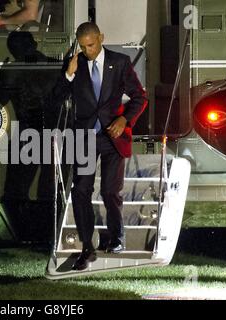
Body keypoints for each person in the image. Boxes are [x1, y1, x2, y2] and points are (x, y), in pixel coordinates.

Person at [54, 22, 147, 271]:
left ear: (101, 38)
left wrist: (124, 118)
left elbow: (140, 97)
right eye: (83, 47)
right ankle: (87, 246)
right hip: (84, 138)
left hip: (112, 137)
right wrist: (68, 75)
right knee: (81, 190)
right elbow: (56, 97)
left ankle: (117, 239)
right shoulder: (75, 64)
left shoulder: (120, 62)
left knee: (109, 191)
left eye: (91, 45)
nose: (88, 51)